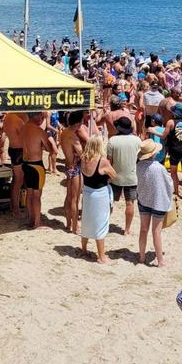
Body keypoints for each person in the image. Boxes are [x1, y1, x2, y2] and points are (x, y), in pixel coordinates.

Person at [80, 136, 117, 264]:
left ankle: (83, 249)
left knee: (86, 220)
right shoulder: (102, 161)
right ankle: (101, 257)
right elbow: (114, 175)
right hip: (99, 194)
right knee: (100, 223)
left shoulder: (83, 158)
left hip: (87, 192)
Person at [136, 139, 173, 267]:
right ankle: (160, 261)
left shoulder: (138, 166)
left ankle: (141, 257)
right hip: (158, 201)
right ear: (153, 154)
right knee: (156, 232)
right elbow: (169, 184)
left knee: (143, 229)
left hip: (143, 199)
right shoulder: (159, 167)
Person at [149, 103, 182, 201]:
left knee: (173, 172)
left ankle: (176, 192)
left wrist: (153, 131)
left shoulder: (170, 122)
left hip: (175, 149)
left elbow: (164, 136)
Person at [21, 113, 57, 229]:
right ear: (35, 116)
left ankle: (31, 219)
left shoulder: (23, 128)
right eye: (41, 117)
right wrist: (44, 145)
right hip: (36, 165)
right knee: (36, 196)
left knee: (29, 193)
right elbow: (50, 149)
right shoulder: (39, 131)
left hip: (25, 163)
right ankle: (37, 222)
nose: (42, 120)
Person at [107, 117, 142, 235]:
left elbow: (109, 161)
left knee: (110, 202)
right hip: (132, 176)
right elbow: (140, 158)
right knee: (130, 203)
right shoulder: (137, 140)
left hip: (115, 176)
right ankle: (127, 229)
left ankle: (104, 224)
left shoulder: (112, 140)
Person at [60, 111, 88, 234]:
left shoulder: (64, 132)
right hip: (75, 167)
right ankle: (75, 226)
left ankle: (68, 224)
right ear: (78, 122)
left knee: (68, 196)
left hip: (68, 165)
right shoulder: (73, 136)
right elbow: (82, 154)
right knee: (75, 199)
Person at [3, 112, 28, 218]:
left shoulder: (8, 116)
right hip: (18, 151)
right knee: (18, 181)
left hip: (14, 148)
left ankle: (13, 206)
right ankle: (16, 210)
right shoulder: (16, 119)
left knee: (16, 180)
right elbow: (26, 135)